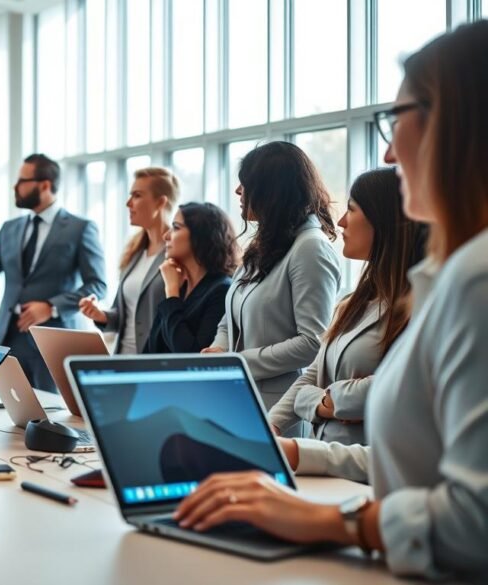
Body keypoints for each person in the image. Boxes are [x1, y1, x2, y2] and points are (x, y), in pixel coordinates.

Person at [174, 21, 488, 580]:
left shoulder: (475, 280)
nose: (389, 153)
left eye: (397, 121)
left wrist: (337, 525)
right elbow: (413, 469)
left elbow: (474, 521)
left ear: (456, 123)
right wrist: (294, 452)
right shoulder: (448, 277)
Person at [268, 169, 428, 444]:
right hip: (325, 460)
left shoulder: (422, 306)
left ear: (384, 221)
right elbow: (313, 376)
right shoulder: (352, 303)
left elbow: (392, 389)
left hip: (370, 469)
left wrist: (328, 399)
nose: (341, 222)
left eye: (352, 210)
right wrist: (271, 425)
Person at [202, 141, 341, 410]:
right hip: (239, 396)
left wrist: (237, 361)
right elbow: (228, 319)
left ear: (272, 191)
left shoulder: (310, 247)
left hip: (278, 406)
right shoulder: (264, 245)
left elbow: (313, 342)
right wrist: (219, 350)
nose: (238, 191)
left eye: (246, 184)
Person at [0, 153, 107, 392]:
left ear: (44, 185)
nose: (15, 187)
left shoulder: (80, 228)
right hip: (8, 341)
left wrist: (50, 306)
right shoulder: (10, 229)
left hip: (52, 342)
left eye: (22, 181)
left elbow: (97, 285)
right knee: (11, 418)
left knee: (51, 421)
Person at [78, 167, 178, 354]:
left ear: (160, 202)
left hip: (155, 362)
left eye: (137, 195)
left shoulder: (176, 255)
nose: (128, 203)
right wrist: (101, 315)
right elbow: (123, 315)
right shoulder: (134, 253)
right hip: (123, 358)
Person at [145, 202, 238, 354]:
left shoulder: (222, 290)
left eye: (176, 227)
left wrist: (171, 292)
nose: (166, 236)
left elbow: (192, 355)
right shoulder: (180, 286)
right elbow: (151, 350)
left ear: (200, 236)